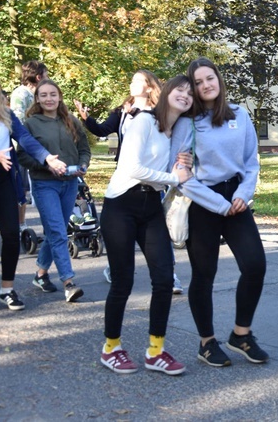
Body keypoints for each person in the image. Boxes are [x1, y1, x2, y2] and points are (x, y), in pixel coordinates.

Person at [170, 57, 268, 367]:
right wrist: (219, 204)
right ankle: (207, 342)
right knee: (204, 275)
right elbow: (181, 176)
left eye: (209, 78)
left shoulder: (240, 114)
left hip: (236, 198)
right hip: (203, 203)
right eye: (197, 83)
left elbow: (251, 161)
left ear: (219, 79)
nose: (205, 85)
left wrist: (242, 194)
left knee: (255, 265)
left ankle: (241, 334)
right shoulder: (187, 123)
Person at [99, 75, 193, 375]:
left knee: (165, 279)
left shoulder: (175, 131)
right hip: (121, 206)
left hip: (151, 205)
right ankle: (111, 347)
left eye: (190, 93)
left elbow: (174, 167)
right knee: (123, 281)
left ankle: (156, 351)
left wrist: (182, 165)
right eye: (180, 89)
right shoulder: (142, 122)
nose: (186, 95)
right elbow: (132, 168)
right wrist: (173, 178)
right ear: (166, 92)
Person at [74, 71, 183, 293]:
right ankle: (115, 268)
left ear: (150, 87)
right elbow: (103, 130)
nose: (131, 84)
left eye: (136, 81)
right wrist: (87, 119)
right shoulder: (122, 111)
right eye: (131, 81)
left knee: (156, 231)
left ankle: (169, 275)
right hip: (127, 179)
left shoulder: (162, 114)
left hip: (154, 181)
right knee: (122, 236)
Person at [17, 79, 91, 303]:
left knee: (53, 231)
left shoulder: (71, 121)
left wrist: (83, 166)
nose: (49, 99)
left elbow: (84, 149)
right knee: (58, 231)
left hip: (70, 183)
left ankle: (40, 274)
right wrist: (46, 164)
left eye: (53, 94)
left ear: (59, 97)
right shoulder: (30, 124)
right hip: (44, 184)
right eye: (44, 95)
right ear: (37, 99)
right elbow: (22, 155)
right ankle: (69, 282)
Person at [0, 83, 66, 311]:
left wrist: (47, 158)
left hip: (4, 180)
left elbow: (25, 139)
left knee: (10, 234)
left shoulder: (5, 112)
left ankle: (7, 289)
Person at [11, 60, 48, 233]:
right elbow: (16, 122)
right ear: (38, 76)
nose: (48, 79)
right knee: (22, 188)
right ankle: (21, 225)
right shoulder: (21, 93)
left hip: (34, 146)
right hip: (21, 148)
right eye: (46, 76)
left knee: (34, 185)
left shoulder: (37, 95)